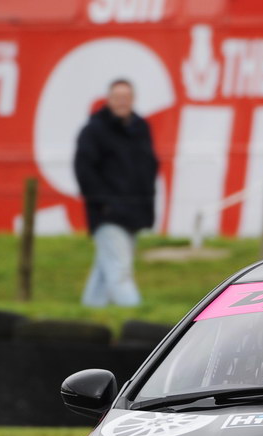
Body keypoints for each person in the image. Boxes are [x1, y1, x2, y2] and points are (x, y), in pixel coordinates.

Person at [73, 78, 158, 307]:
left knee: (105, 269)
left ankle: (91, 310)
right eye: (117, 97)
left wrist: (145, 207)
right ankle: (135, 312)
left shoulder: (140, 128)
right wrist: (104, 205)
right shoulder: (94, 131)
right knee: (120, 269)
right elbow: (84, 171)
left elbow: (148, 168)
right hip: (107, 215)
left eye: (126, 97)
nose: (122, 102)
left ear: (133, 99)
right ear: (108, 100)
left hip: (134, 212)